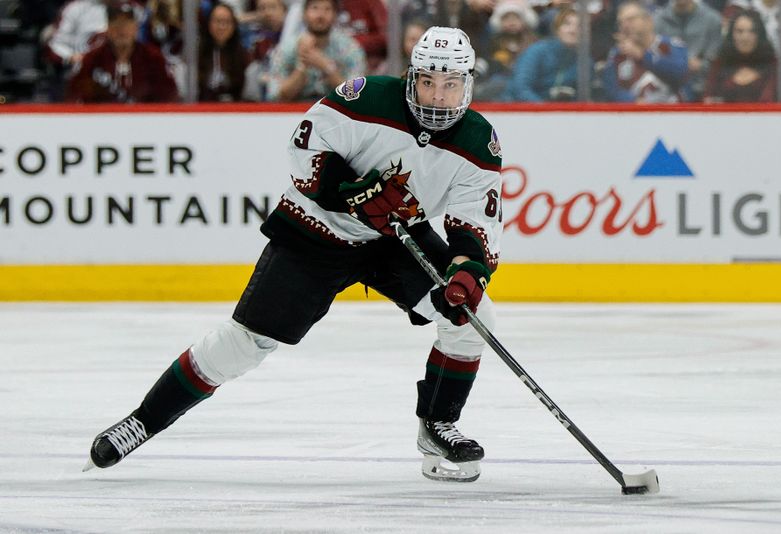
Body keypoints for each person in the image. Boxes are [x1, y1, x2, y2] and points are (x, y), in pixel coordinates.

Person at [84, 26, 503, 483]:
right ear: (410, 77)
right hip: (316, 232)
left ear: (468, 84)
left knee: (472, 315)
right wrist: (349, 192)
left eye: (450, 85)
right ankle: (142, 421)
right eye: (427, 82)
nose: (437, 96)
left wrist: (464, 276)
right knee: (244, 345)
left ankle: (437, 423)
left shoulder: (478, 142)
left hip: (394, 240)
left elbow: (472, 226)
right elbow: (305, 146)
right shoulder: (364, 98)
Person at [66, 0, 178, 103]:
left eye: (127, 24)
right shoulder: (92, 59)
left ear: (136, 28)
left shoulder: (153, 58)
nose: (121, 30)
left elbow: (169, 96)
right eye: (116, 24)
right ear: (108, 29)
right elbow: (76, 95)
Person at [267, 0, 365, 102]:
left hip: (336, 110)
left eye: (327, 9)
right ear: (304, 14)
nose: (320, 15)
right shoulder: (286, 48)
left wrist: (327, 67)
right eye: (315, 8)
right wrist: (302, 65)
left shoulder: (350, 48)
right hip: (296, 111)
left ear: (335, 15)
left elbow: (355, 96)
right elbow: (276, 97)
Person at [603, 0, 689, 103]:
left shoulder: (670, 45)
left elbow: (680, 72)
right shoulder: (617, 54)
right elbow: (612, 91)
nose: (625, 25)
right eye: (621, 22)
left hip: (674, 111)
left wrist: (643, 56)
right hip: (635, 114)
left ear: (648, 21)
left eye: (631, 20)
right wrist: (634, 101)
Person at [505, 7, 579, 102]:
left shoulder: (585, 63)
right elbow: (520, 88)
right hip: (518, 111)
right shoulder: (537, 52)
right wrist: (546, 110)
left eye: (579, 26)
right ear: (557, 29)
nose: (573, 30)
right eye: (567, 24)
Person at [654, 0, 723, 101]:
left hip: (702, 88)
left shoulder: (713, 19)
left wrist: (700, 65)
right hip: (666, 88)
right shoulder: (658, 19)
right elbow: (653, 57)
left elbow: (717, 63)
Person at [704, 10, 776, 102]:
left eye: (752, 31)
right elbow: (707, 100)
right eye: (739, 31)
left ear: (760, 35)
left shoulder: (772, 64)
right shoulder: (719, 64)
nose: (745, 37)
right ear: (731, 35)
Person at [198, 2, 251, 102]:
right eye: (217, 21)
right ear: (209, 23)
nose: (222, 26)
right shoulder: (197, 53)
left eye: (227, 22)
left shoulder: (243, 55)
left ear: (234, 25)